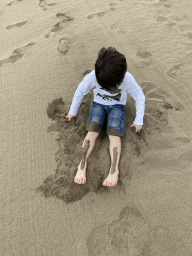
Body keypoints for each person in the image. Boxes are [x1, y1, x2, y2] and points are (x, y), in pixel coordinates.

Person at [66, 47, 145, 187]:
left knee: (114, 135)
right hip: (98, 104)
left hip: (117, 106)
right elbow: (80, 92)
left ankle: (114, 171)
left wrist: (139, 120)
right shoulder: (93, 76)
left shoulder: (127, 78)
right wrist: (73, 111)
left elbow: (139, 96)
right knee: (92, 132)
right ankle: (81, 166)